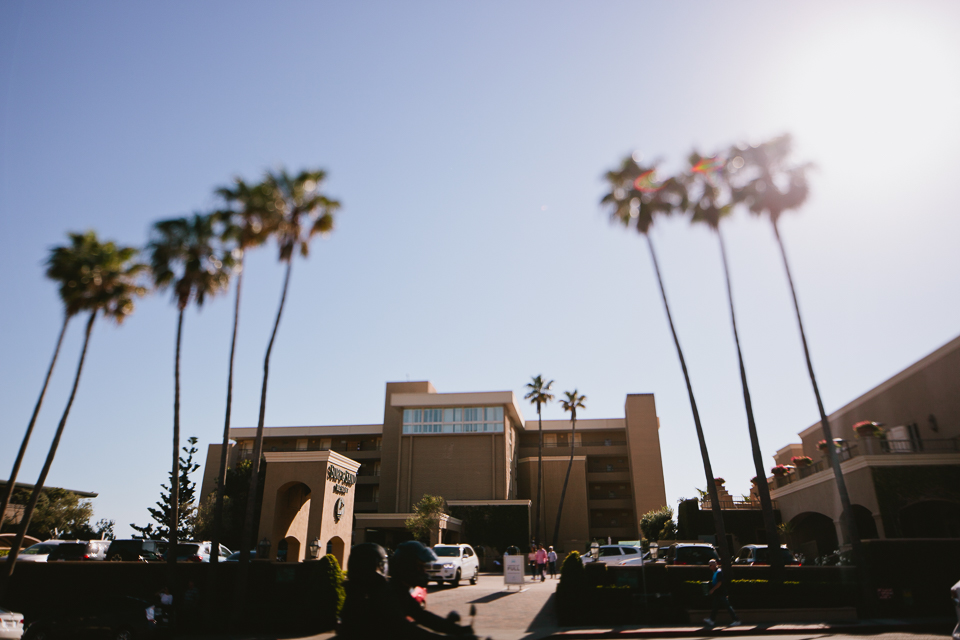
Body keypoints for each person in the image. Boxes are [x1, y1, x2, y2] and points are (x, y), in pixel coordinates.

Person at [339, 541, 476, 639]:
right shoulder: (379, 594)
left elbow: (421, 615)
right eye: (419, 566)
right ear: (407, 566)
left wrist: (457, 630)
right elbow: (405, 630)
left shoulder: (397, 589)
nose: (423, 571)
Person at [704, 559, 741, 627]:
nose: (709, 567)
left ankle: (736, 620)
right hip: (718, 593)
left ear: (714, 565)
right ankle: (712, 620)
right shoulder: (715, 572)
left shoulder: (718, 572)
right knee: (715, 606)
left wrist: (713, 590)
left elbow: (720, 583)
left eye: (710, 565)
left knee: (727, 606)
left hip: (721, 593)